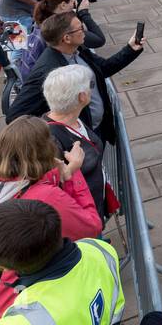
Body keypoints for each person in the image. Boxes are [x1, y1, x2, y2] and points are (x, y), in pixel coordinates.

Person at [0, 116, 102, 321]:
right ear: (45, 150)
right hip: (22, 302)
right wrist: (72, 175)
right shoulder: (45, 196)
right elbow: (91, 226)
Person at [8, 11, 144, 150]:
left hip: (95, 131)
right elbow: (15, 116)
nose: (84, 31)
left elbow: (104, 68)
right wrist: (53, 138)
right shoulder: (47, 71)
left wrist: (130, 49)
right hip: (77, 143)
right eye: (80, 28)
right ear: (67, 38)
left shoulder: (78, 50)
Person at [41, 66, 114, 218]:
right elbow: (50, 191)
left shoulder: (73, 118)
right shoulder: (50, 140)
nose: (91, 89)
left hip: (93, 205)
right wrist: (72, 168)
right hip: (81, 219)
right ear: (82, 96)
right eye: (90, 86)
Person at [17, 0, 105, 78]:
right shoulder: (59, 27)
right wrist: (84, 13)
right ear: (63, 5)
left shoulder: (43, 19)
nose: (74, 3)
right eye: (72, 1)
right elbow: (99, 40)